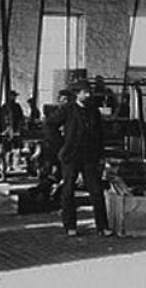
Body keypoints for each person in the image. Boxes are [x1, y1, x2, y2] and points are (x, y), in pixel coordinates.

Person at [44, 80, 111, 237]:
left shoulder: (94, 111)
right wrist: (60, 146)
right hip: (71, 156)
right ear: (77, 94)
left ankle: (102, 226)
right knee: (68, 191)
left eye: (89, 92)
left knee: (96, 191)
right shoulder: (67, 110)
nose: (88, 95)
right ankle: (70, 226)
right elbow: (49, 124)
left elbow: (100, 135)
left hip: (90, 157)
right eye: (85, 92)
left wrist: (101, 155)